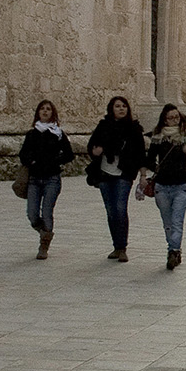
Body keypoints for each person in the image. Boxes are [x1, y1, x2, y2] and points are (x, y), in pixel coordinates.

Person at [145, 104, 186, 270]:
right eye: (170, 118)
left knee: (177, 221)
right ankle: (173, 249)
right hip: (162, 186)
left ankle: (173, 251)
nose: (174, 120)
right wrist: (156, 169)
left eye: (176, 117)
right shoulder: (158, 138)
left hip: (181, 186)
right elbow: (149, 159)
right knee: (168, 223)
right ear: (164, 119)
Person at [87, 95, 146, 261]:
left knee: (120, 209)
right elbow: (92, 145)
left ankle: (122, 247)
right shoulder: (104, 126)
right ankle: (116, 246)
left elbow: (140, 153)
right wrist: (95, 151)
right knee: (111, 211)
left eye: (124, 106)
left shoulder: (134, 128)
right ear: (111, 109)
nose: (121, 109)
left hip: (124, 173)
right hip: (105, 172)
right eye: (117, 106)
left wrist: (143, 175)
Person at [19, 98, 75, 259]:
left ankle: (44, 246)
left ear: (53, 113)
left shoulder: (58, 134)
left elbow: (69, 154)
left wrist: (54, 161)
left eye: (48, 109)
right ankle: (45, 233)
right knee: (32, 214)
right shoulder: (32, 133)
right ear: (38, 113)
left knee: (47, 211)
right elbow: (23, 154)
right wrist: (31, 161)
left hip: (52, 178)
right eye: (42, 109)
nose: (45, 111)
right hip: (34, 179)